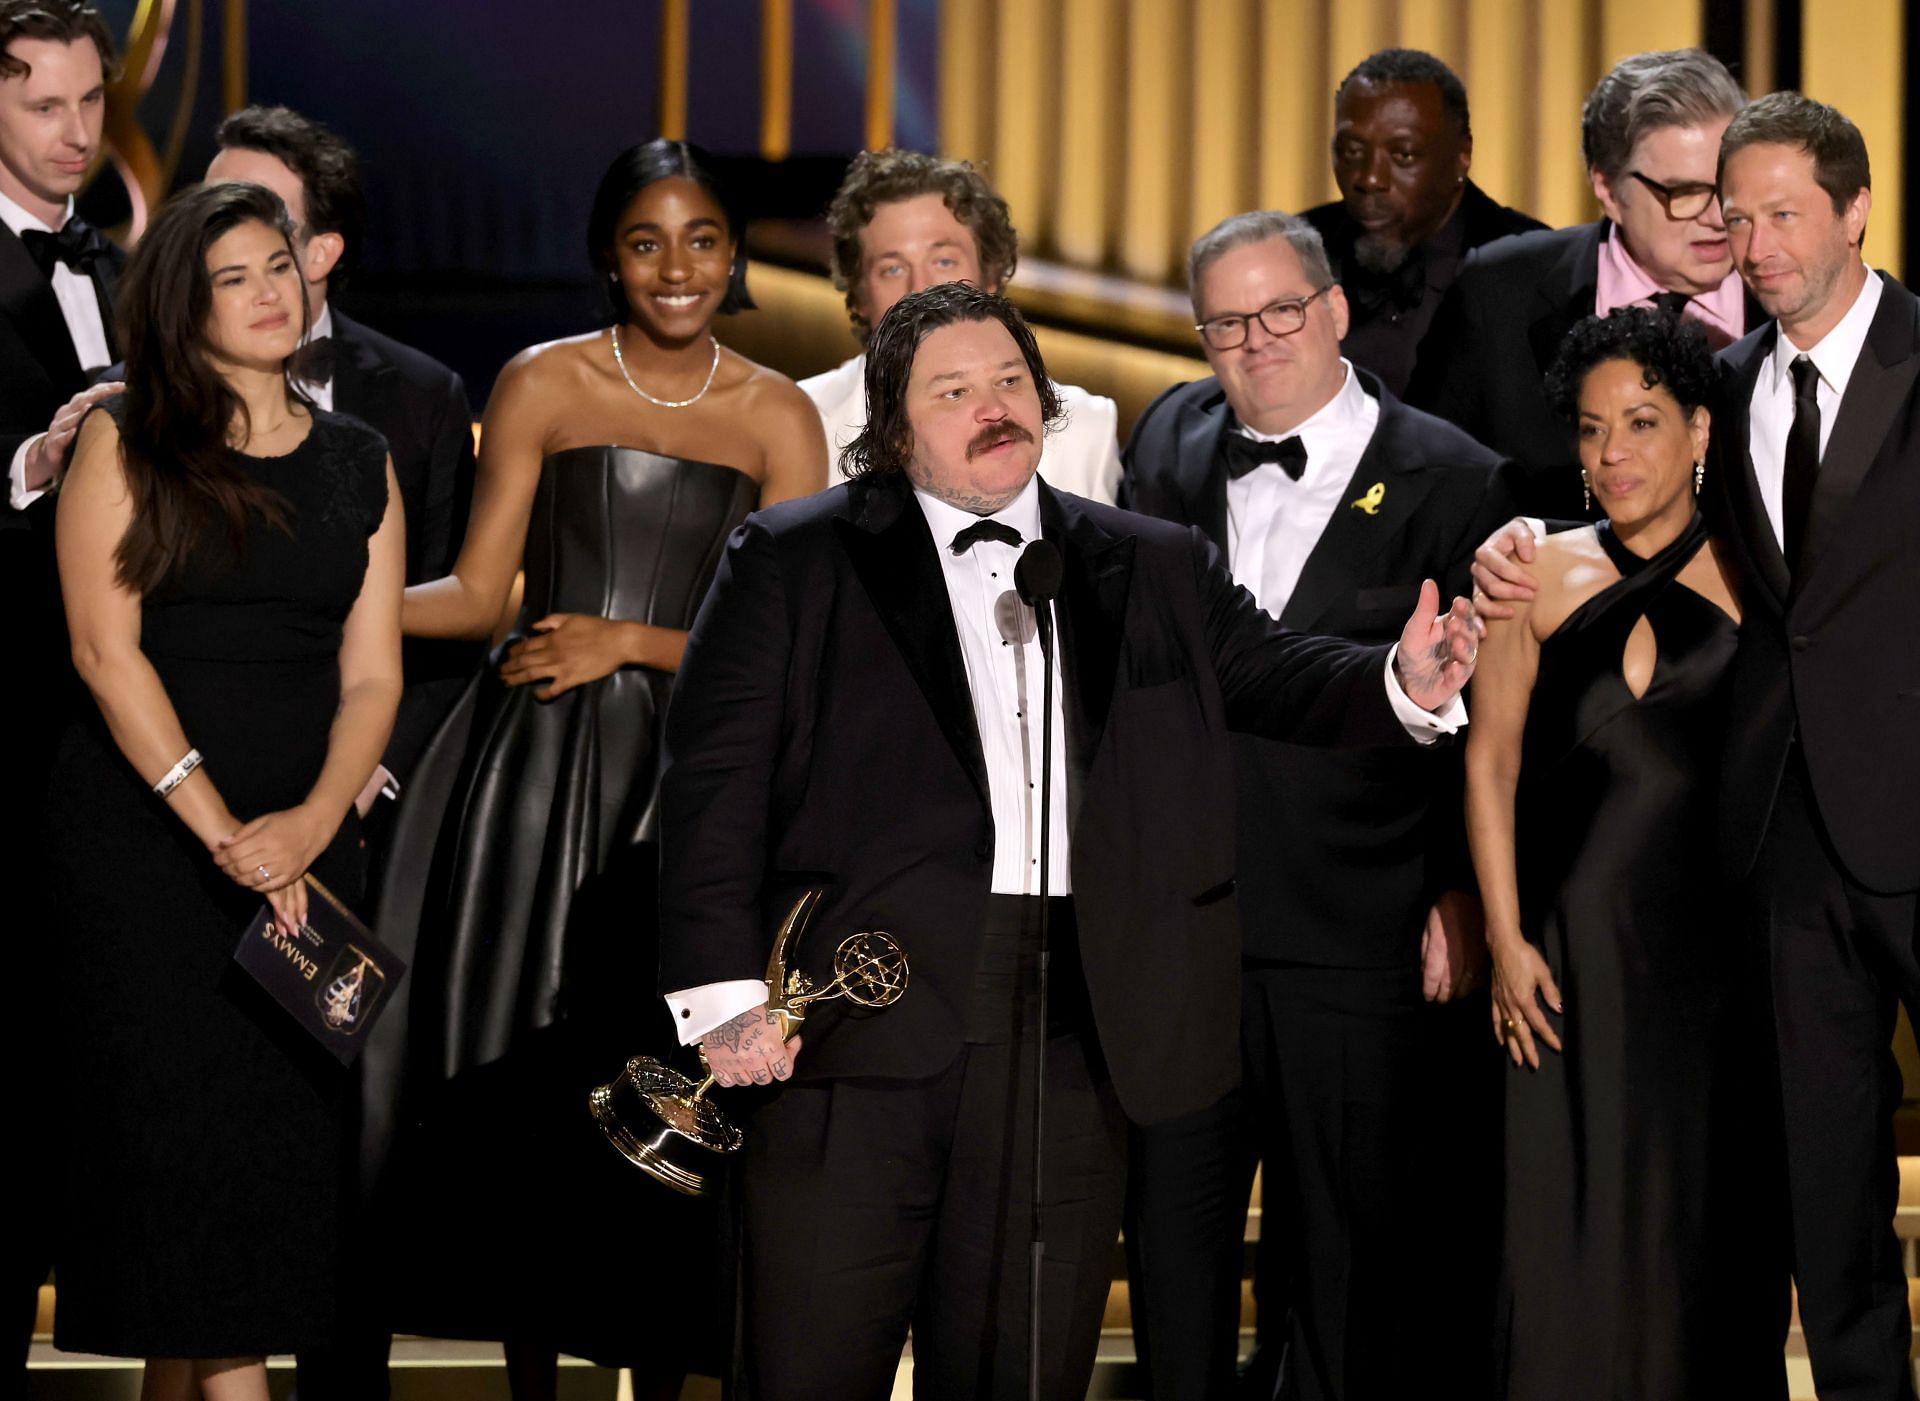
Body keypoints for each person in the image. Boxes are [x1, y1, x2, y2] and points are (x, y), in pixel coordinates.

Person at [657, 280, 1481, 1400]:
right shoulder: (796, 557)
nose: (993, 408)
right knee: (810, 1366)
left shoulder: (1144, 560)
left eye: (1010, 383)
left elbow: (1275, 673)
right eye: (954, 391)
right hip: (856, 1031)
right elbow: (712, 787)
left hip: (1074, 1034)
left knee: (1022, 1371)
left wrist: (1402, 679)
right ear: (896, 427)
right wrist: (721, 995)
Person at [1474, 91, 1920, 1401]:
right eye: (1737, 216)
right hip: (1780, 860)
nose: (1757, 242)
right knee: (1832, 1208)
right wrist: (1516, 546)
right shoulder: (1719, 383)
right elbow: (1625, 506)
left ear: (1854, 208)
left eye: (1785, 212)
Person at [376, 137, 825, 1400]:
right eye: (645, 241)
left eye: (700, 240)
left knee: (665, 1090)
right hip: (531, 773)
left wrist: (626, 641)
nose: (675, 267)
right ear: (607, 259)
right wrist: (324, 609)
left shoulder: (778, 414)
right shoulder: (539, 382)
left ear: (734, 256)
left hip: (690, 788)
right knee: (529, 1082)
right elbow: (473, 595)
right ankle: (527, 1366)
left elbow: (790, 658)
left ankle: (666, 1365)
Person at [1119, 210, 1514, 1400]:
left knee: (1344, 1257)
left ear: (1335, 310)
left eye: (1281, 311)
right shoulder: (1167, 442)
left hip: (1358, 922)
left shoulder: (1456, 474)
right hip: (1184, 923)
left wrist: (1457, 885)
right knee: (1174, 1249)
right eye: (1227, 323)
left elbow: (1482, 708)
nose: (1257, 342)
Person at [44, 179, 403, 1399]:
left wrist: (305, 828)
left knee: (257, 1201)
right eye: (231, 277)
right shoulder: (125, 435)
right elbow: (105, 651)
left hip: (305, 867)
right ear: (179, 305)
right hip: (149, 854)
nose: (267, 294)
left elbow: (372, 678)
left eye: (279, 268)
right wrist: (221, 831)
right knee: (180, 1192)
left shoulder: (360, 459)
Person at [202, 103, 479, 1401]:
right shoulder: (150, 408)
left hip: (357, 826)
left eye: (264, 229)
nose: (234, 249)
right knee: (201, 1167)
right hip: (188, 822)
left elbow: (443, 636)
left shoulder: (411, 405)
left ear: (322, 252)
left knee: (335, 1146)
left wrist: (352, 786)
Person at [1465, 306, 1770, 1398]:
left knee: (1697, 1232)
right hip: (1560, 958)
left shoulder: (1758, 571)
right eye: (1592, 431)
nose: (1612, 455)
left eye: (1641, 423)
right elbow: (1490, 764)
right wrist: (1503, 936)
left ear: (1699, 429)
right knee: (1558, 1238)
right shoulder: (1529, 572)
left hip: (1715, 971)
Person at [0, 3, 121, 1372]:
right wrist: (34, 466)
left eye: (91, 101)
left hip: (99, 736)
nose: (76, 130)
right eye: (43, 104)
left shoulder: (119, 258)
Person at [1408, 49, 1756, 517]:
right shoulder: (1494, 294)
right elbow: (1424, 495)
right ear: (1608, 190)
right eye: (1686, 192)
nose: (1718, 217)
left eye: (1728, 184)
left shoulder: (1793, 299)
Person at [802, 147, 1122, 501]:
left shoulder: (1088, 428)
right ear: (859, 295)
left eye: (943, 261)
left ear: (991, 278)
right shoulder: (801, 420)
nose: (920, 289)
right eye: (892, 268)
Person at [1301, 48, 1546, 396]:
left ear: (1463, 156)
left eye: (1403, 155)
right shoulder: (1298, 250)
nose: (1370, 178)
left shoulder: (1531, 267)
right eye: (1352, 151)